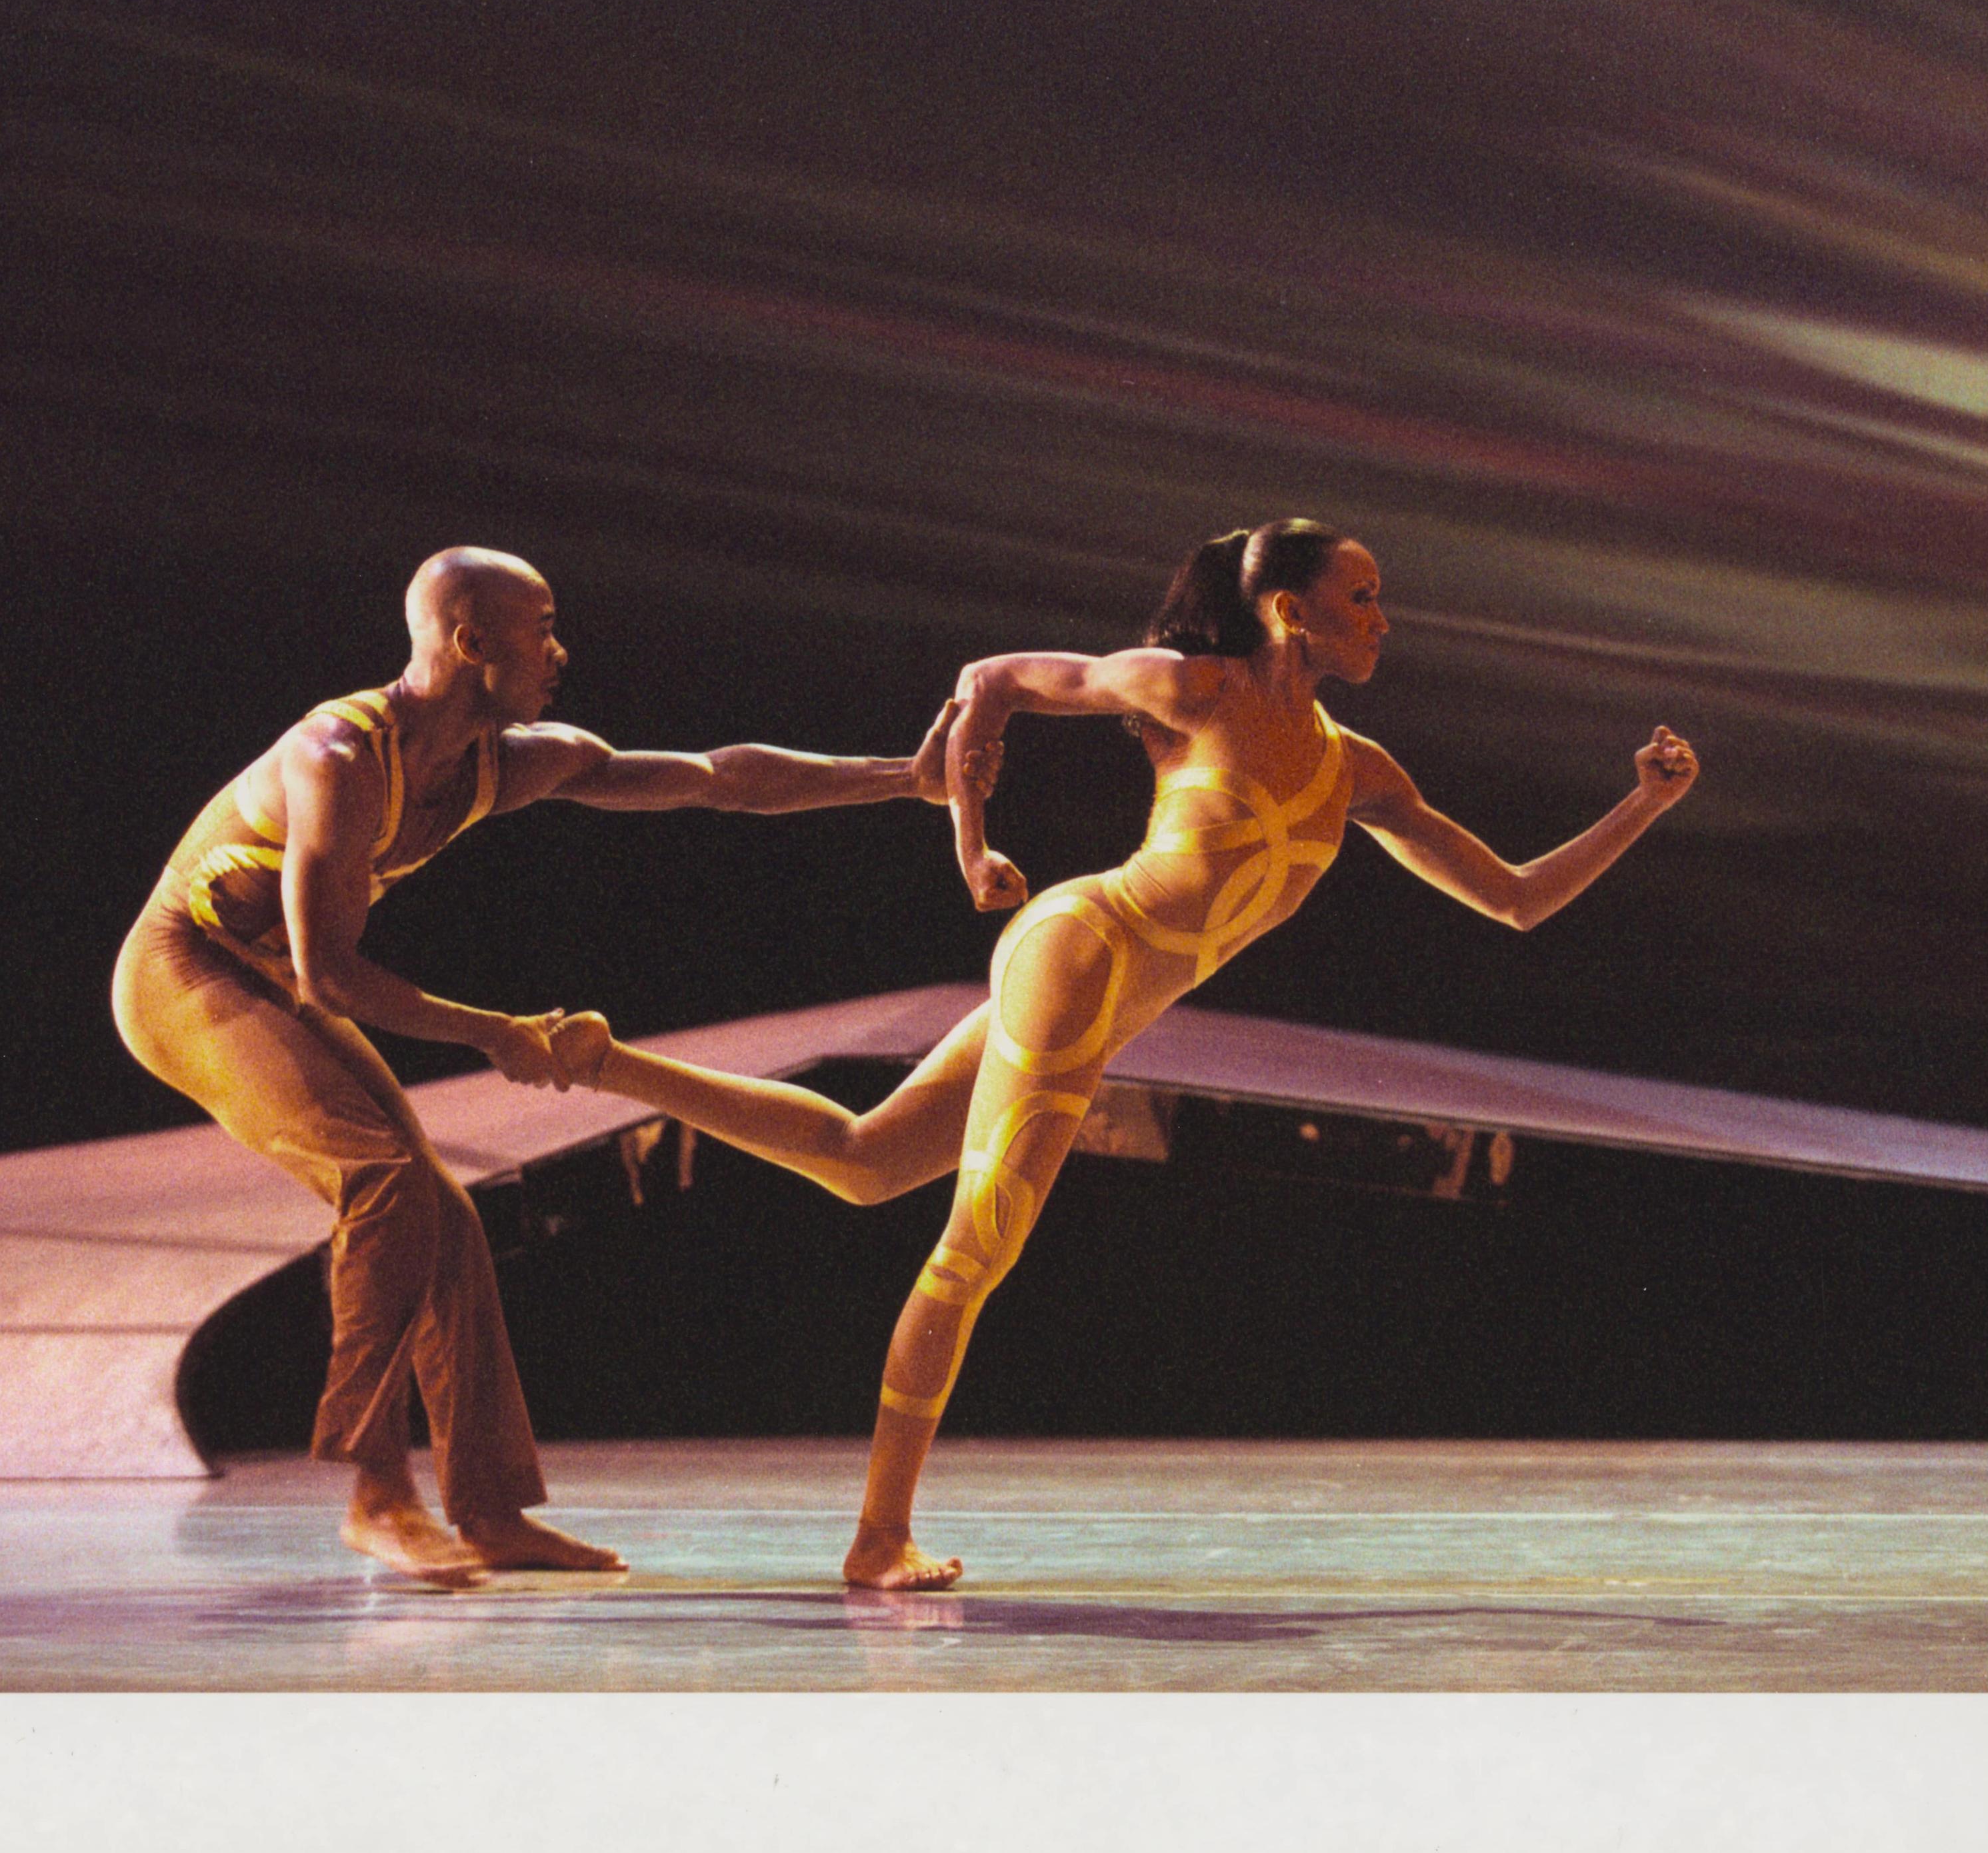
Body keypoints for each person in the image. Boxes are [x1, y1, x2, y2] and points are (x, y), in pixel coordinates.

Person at [549, 519, 1699, 1590]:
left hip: (1096, 987)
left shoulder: (1361, 773)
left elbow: (1513, 899)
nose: (1383, 618)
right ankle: (878, 1535)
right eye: (1363, 597)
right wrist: (970, 845)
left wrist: (1641, 805)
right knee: (972, 1250)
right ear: (1291, 613)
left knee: (866, 1159)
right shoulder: (1194, 688)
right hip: (1081, 953)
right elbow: (989, 682)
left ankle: (611, 1065)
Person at [112, 545, 959, 1588]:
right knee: (382, 1182)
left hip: (273, 976)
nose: (559, 651)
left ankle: (489, 1510)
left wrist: (906, 781)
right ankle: (378, 1494)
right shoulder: (335, 757)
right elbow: (332, 976)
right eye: (540, 629)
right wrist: (497, 1031)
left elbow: (717, 780)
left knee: (449, 1216)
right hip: (183, 973)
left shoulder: (506, 762)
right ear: (471, 644)